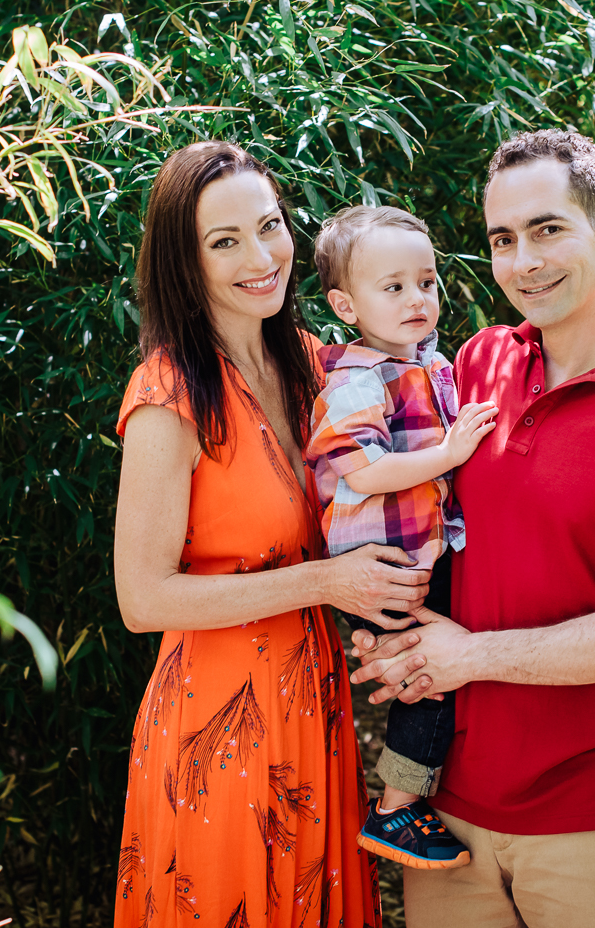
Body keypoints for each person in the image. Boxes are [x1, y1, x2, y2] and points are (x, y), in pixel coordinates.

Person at [349, 130, 595, 928]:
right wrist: (391, 626)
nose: (524, 261)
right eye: (503, 239)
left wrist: (466, 656)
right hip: (444, 815)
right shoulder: (481, 361)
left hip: (589, 818)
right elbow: (426, 525)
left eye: (549, 229)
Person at [111, 141, 421, 928]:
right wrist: (325, 584)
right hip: (219, 724)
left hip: (315, 702)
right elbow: (142, 599)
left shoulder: (320, 369)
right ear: (186, 262)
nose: (262, 256)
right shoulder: (168, 393)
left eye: (271, 226)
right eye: (225, 242)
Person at [304, 206, 497, 871]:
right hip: (382, 564)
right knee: (432, 672)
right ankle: (396, 809)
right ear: (345, 304)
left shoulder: (426, 362)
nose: (418, 299)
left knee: (436, 666)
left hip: (416, 551)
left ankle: (407, 800)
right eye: (394, 288)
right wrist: (451, 451)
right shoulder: (359, 377)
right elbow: (367, 467)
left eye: (427, 282)